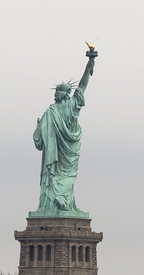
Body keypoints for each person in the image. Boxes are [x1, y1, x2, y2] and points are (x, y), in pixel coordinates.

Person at [33, 51, 96, 214]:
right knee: (61, 175)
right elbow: (39, 141)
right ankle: (57, 203)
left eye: (58, 92)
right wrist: (39, 128)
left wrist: (88, 66)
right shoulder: (54, 110)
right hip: (63, 151)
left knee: (61, 175)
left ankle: (63, 202)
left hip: (65, 150)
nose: (57, 94)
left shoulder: (58, 109)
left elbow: (82, 86)